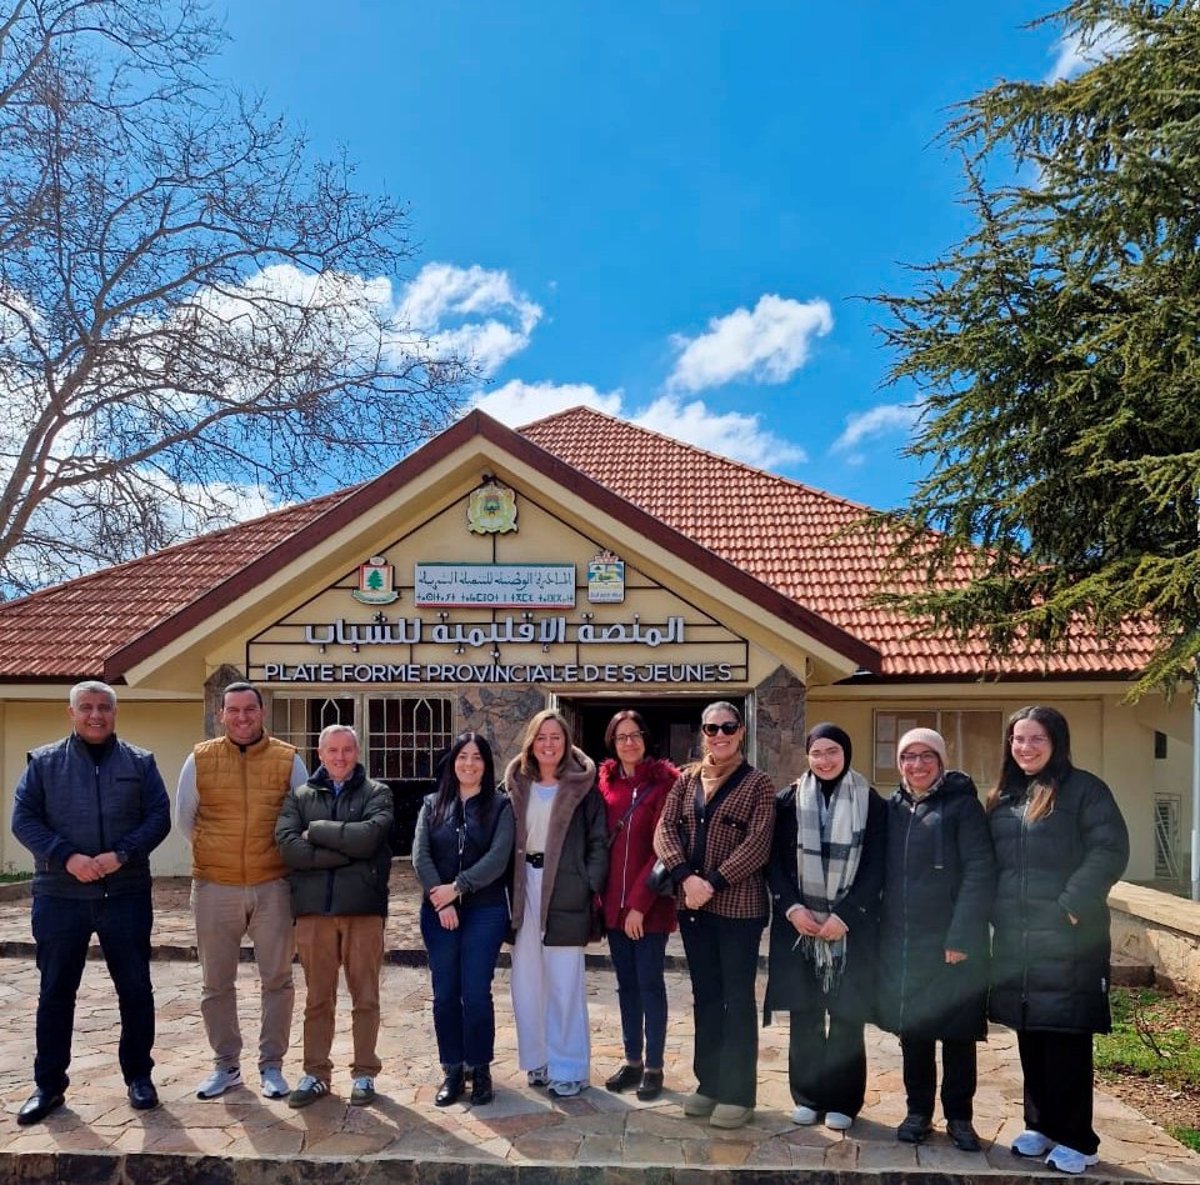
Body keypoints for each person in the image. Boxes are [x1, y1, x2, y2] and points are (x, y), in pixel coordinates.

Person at [11, 681, 171, 1123]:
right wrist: (67, 857)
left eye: (104, 707)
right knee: (56, 991)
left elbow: (158, 817)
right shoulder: (43, 763)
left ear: (114, 713)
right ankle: (48, 1086)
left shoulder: (140, 763)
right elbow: (23, 818)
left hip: (125, 893)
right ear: (72, 713)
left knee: (136, 989)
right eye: (87, 707)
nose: (96, 715)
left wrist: (121, 854)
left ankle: (139, 1076)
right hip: (60, 895)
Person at [987, 706, 1129, 1175]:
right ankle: (1041, 1123)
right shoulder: (1006, 797)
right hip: (1017, 937)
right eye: (1018, 740)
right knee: (1032, 1031)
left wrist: (1071, 904)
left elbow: (1110, 849)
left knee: (1066, 1036)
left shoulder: (1085, 791)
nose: (1025, 748)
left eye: (1035, 740)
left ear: (1056, 743)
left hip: (1070, 935)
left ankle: (1078, 1138)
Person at [175, 680, 308, 1100]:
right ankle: (226, 1066)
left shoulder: (289, 759)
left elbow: (303, 818)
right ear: (221, 715)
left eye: (250, 709)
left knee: (278, 980)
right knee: (216, 983)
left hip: (274, 886)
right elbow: (186, 819)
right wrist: (218, 857)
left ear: (261, 712)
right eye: (233, 710)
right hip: (216, 887)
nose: (242, 717)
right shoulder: (200, 759)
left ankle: (272, 1065)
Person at [652, 700, 775, 1130]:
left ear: (740, 731)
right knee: (706, 996)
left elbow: (758, 843)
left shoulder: (758, 784)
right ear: (702, 733)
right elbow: (664, 829)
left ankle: (739, 1094)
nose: (719, 735)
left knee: (736, 999)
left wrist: (713, 883)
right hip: (692, 906)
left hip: (738, 909)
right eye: (711, 728)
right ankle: (709, 1083)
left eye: (727, 727)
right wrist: (686, 878)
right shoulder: (686, 781)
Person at [877, 727, 995, 1151]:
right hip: (906, 941)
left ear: (941, 761)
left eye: (927, 756)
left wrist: (962, 934)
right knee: (915, 1031)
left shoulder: (963, 807)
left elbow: (980, 872)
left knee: (959, 1034)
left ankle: (960, 1117)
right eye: (908, 756)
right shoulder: (893, 808)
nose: (917, 764)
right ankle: (918, 1112)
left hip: (954, 942)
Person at [763, 722, 884, 1133]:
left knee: (847, 1016)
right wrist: (793, 908)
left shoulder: (871, 801)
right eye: (817, 753)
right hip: (801, 928)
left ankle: (844, 1101)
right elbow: (772, 863)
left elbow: (877, 866)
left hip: (852, 929)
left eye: (832, 751)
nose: (825, 760)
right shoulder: (788, 801)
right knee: (806, 1014)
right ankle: (808, 1096)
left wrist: (845, 915)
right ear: (807, 756)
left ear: (845, 753)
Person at [275, 724, 393, 1107]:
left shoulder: (378, 793)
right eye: (332, 750)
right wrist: (347, 852)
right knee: (318, 998)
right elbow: (289, 849)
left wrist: (319, 831)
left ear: (357, 753)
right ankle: (315, 1073)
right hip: (314, 915)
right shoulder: (299, 796)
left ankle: (364, 1074)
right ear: (320, 754)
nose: (340, 757)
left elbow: (371, 839)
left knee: (366, 997)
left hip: (363, 912)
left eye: (347, 750)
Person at [505, 708, 607, 1099]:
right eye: (541, 737)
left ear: (567, 743)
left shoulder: (582, 788)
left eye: (556, 737)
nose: (548, 744)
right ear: (531, 742)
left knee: (565, 981)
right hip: (522, 887)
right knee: (526, 979)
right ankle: (539, 1060)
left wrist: (586, 884)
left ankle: (569, 1067)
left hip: (565, 887)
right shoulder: (516, 784)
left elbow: (599, 843)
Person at [412, 732, 514, 1107]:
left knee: (475, 993)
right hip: (438, 911)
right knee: (445, 995)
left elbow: (498, 858)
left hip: (484, 911)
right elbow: (420, 856)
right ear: (452, 761)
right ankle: (453, 1069)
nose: (469, 764)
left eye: (477, 758)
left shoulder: (501, 806)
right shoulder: (432, 804)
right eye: (462, 757)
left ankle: (480, 1067)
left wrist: (459, 887)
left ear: (487, 766)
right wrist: (442, 900)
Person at [596, 710, 679, 1102]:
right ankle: (631, 1060)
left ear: (646, 739)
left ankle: (654, 1066)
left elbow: (663, 848)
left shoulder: (665, 785)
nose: (629, 742)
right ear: (612, 743)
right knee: (626, 986)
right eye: (621, 736)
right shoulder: (606, 785)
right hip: (614, 906)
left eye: (636, 735)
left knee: (650, 986)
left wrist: (639, 904)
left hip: (649, 908)